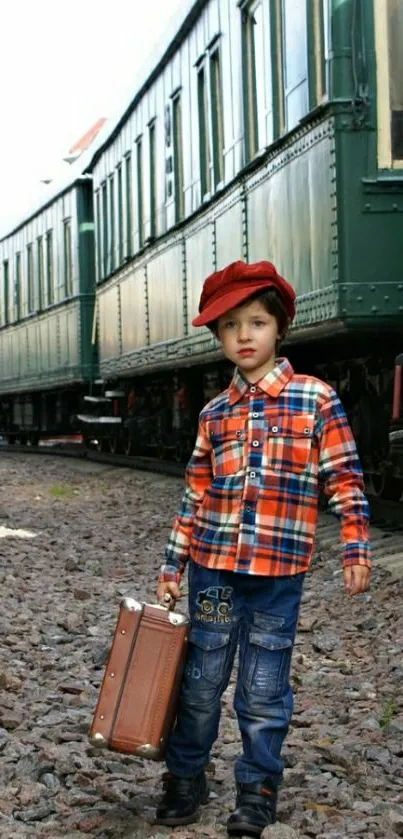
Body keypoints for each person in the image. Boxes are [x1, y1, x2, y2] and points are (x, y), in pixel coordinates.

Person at [155, 260, 371, 837]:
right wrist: (173, 563)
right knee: (201, 681)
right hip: (215, 575)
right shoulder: (214, 414)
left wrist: (355, 546)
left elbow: (345, 478)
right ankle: (186, 775)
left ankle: (257, 786)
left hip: (277, 576)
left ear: (280, 328)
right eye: (229, 327)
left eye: (256, 322)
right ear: (218, 337)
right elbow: (194, 496)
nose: (244, 336)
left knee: (263, 689)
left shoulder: (314, 400)